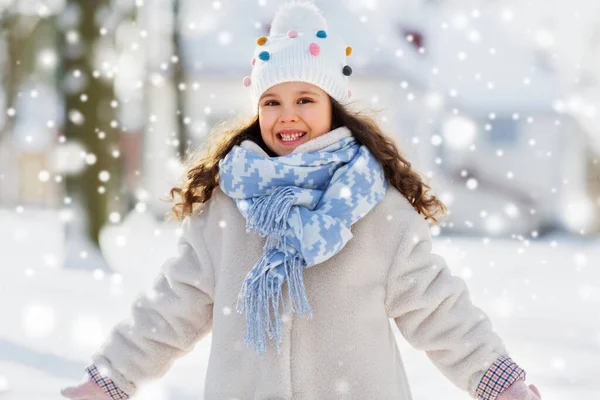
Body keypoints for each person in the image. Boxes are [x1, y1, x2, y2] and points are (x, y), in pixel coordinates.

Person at [60, 2, 543, 399]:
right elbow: (172, 307)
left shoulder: (378, 210)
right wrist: (110, 381)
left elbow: (439, 308)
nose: (287, 115)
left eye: (305, 99)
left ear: (333, 107)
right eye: (272, 102)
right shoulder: (227, 208)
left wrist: (497, 381)